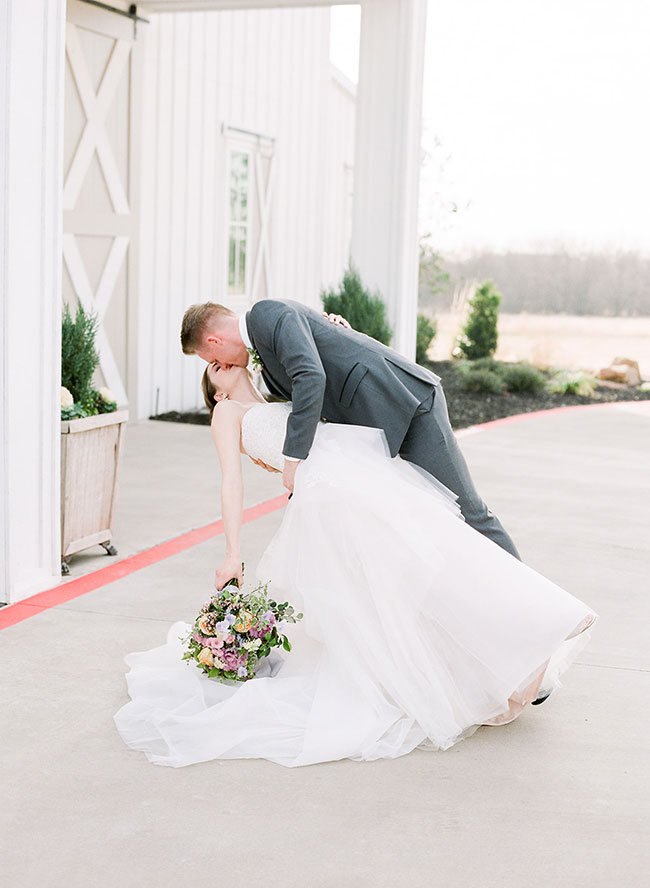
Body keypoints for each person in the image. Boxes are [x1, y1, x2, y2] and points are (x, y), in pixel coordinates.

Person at [113, 359, 597, 769]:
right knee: (388, 596)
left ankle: (532, 637)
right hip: (331, 503)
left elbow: (323, 384)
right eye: (209, 370)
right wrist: (232, 553)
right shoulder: (229, 415)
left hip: (363, 480)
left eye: (219, 358)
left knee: (437, 563)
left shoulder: (275, 395)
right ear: (214, 395)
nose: (218, 365)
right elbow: (231, 485)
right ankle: (505, 657)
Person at [181, 299, 522, 584]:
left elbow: (311, 375)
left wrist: (293, 457)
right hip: (376, 430)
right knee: (426, 523)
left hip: (405, 405)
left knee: (468, 511)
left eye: (213, 360)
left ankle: (541, 609)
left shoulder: (267, 314)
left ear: (213, 341)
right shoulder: (266, 365)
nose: (220, 364)